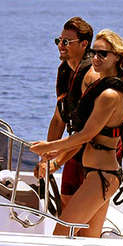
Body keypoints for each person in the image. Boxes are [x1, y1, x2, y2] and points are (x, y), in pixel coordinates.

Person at [31, 30, 123, 238]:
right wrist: (55, 154)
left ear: (116, 57)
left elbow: (86, 135)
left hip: (102, 177)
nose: (96, 58)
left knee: (61, 234)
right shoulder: (102, 87)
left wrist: (49, 147)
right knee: (88, 241)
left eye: (103, 54)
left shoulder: (110, 95)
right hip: (99, 174)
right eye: (93, 52)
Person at [41, 16, 94, 196]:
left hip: (96, 151)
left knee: (80, 207)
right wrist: (46, 158)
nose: (60, 46)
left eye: (66, 42)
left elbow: (87, 132)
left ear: (84, 44)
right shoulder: (66, 71)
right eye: (59, 41)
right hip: (75, 145)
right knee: (66, 200)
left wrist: (56, 163)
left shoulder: (91, 76)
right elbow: (58, 119)